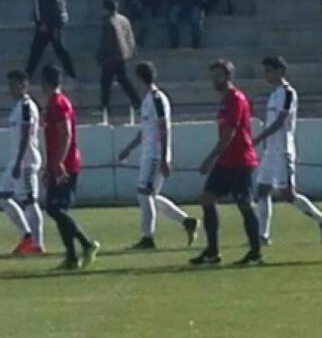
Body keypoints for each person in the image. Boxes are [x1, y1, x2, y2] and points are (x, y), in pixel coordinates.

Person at [251, 56, 322, 245]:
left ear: (280, 71)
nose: (266, 75)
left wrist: (259, 138)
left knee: (288, 194)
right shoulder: (273, 94)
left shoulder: (288, 93)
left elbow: (281, 121)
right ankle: (262, 235)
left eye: (269, 71)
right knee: (262, 190)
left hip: (282, 150)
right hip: (271, 150)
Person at [117, 62, 199, 249]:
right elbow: (146, 130)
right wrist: (129, 148)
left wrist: (163, 158)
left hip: (155, 155)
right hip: (148, 153)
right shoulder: (147, 101)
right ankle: (187, 222)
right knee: (149, 195)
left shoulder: (156, 99)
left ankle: (148, 238)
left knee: (144, 194)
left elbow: (164, 128)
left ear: (140, 79)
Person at [191, 60, 263, 266]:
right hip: (226, 161)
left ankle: (256, 252)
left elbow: (229, 134)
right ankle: (212, 251)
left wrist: (210, 158)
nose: (215, 81)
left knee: (244, 204)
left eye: (218, 76)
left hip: (240, 160)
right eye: (213, 77)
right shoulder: (224, 101)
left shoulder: (235, 99)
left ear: (228, 77)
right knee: (207, 199)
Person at [41, 65, 100, 271]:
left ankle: (87, 244)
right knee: (57, 209)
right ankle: (72, 257)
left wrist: (58, 163)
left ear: (44, 82)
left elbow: (65, 134)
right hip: (58, 164)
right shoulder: (54, 103)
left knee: (55, 208)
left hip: (66, 165)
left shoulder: (58, 104)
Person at [0, 70, 46, 256]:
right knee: (2, 196)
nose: (10, 89)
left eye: (13, 85)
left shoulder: (26, 106)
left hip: (25, 160)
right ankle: (27, 236)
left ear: (23, 86)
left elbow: (26, 135)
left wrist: (18, 162)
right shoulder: (18, 106)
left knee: (30, 201)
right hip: (16, 159)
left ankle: (37, 243)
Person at [25, 0, 77, 78]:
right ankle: (28, 74)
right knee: (36, 50)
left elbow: (54, 5)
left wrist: (48, 23)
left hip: (51, 25)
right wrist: (35, 18)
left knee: (59, 49)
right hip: (43, 24)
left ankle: (71, 73)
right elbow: (39, 4)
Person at [96, 0, 140, 116]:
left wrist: (100, 56)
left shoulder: (108, 22)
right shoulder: (124, 19)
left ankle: (104, 107)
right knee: (122, 79)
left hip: (111, 57)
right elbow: (130, 37)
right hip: (123, 55)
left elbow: (107, 42)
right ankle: (136, 102)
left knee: (106, 82)